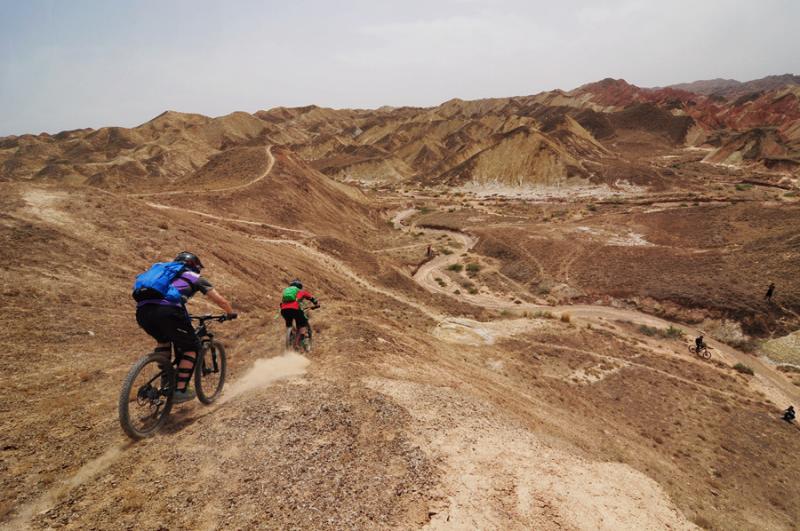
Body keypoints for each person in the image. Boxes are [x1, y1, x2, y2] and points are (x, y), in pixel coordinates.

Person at [135, 252, 235, 403]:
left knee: (164, 341)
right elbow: (220, 300)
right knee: (192, 347)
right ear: (194, 266)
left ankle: (166, 379)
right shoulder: (194, 277)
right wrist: (230, 312)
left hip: (143, 312)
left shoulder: (163, 274)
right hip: (168, 311)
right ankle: (180, 390)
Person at [280, 279, 319, 348]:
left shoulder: (286, 292)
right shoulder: (301, 291)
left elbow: (281, 303)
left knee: (289, 324)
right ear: (300, 286)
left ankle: (290, 336)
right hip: (295, 309)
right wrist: (316, 304)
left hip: (284, 310)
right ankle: (297, 343)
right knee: (302, 324)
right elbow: (311, 298)